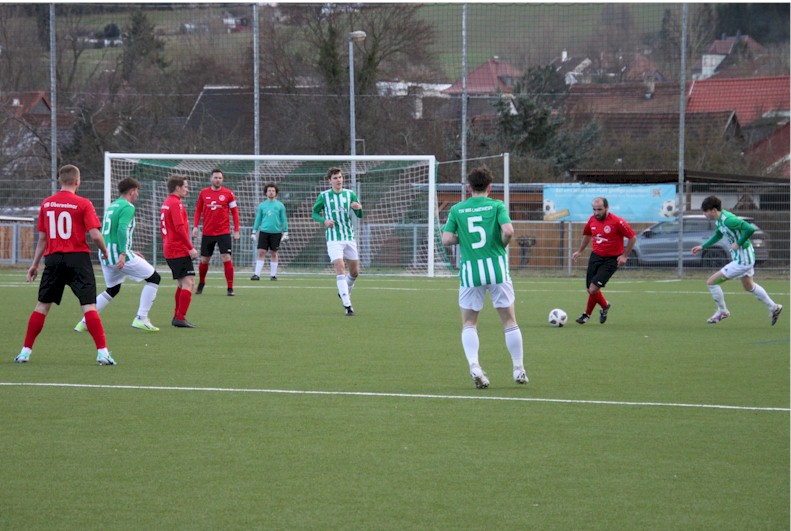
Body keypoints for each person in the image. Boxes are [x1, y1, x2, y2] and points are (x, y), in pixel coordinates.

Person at [14, 164, 115, 365]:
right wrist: (104, 250)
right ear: (77, 181)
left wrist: (34, 264)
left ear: (60, 180)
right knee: (89, 306)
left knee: (42, 306)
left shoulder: (47, 204)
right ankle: (102, 353)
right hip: (78, 259)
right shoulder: (84, 203)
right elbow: (95, 235)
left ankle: (25, 351)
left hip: (53, 260)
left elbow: (42, 239)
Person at [441, 165, 527, 389]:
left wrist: (465, 239)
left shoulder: (458, 209)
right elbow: (508, 231)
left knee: (469, 322)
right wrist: (499, 243)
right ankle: (518, 369)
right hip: (497, 269)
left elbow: (446, 239)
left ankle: (475, 367)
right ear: (490, 187)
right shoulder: (497, 205)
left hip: (471, 272)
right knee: (509, 321)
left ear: (469, 188)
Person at [74, 177, 161, 333]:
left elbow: (110, 232)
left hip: (105, 253)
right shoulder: (128, 206)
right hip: (117, 255)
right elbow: (121, 229)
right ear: (131, 191)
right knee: (154, 278)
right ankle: (141, 318)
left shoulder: (112, 206)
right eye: (137, 192)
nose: (137, 195)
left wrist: (129, 250)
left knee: (112, 289)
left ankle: (85, 322)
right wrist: (123, 253)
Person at [691, 195, 783, 325]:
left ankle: (722, 311)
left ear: (713, 210)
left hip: (743, 260)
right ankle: (774, 307)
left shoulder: (728, 220)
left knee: (712, 282)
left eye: (705, 211)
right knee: (749, 286)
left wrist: (738, 243)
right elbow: (718, 234)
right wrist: (702, 246)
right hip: (744, 256)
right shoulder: (719, 220)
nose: (704, 214)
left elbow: (750, 229)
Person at [571, 196, 636, 325]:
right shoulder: (592, 219)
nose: (596, 213)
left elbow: (632, 237)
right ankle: (605, 305)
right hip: (595, 256)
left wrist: (624, 256)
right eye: (594, 209)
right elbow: (588, 235)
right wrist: (580, 251)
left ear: (607, 208)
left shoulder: (617, 222)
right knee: (590, 289)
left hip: (611, 260)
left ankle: (586, 314)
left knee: (593, 289)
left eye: (599, 209)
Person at [312, 167, 363, 316]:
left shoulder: (350, 194)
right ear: (330, 181)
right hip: (333, 238)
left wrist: (359, 208)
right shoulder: (324, 196)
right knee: (340, 266)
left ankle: (343, 291)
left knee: (354, 272)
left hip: (349, 237)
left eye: (340, 177)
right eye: (335, 178)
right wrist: (324, 220)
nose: (338, 180)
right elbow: (314, 213)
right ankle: (348, 305)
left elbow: (359, 214)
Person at [192, 168, 240, 296]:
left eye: (220, 178)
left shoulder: (229, 194)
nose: (217, 180)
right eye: (215, 177)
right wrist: (195, 226)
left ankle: (230, 288)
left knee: (226, 257)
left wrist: (236, 230)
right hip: (208, 232)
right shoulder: (203, 193)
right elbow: (198, 211)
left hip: (223, 232)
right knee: (204, 260)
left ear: (222, 180)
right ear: (211, 179)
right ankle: (201, 283)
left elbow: (235, 213)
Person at [161, 176, 200, 328]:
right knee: (188, 282)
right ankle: (179, 317)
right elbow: (179, 228)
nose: (187, 189)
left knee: (183, 283)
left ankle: (177, 315)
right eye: (185, 186)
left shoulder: (166, 203)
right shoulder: (176, 204)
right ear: (177, 187)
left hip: (169, 248)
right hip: (178, 249)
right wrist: (190, 247)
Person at [251, 183, 289, 281]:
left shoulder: (280, 205)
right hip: (264, 232)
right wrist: (254, 231)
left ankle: (273, 275)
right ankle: (256, 274)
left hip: (276, 232)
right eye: (269, 190)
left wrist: (285, 231)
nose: (271, 192)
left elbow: (283, 219)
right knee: (261, 252)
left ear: (276, 193)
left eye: (273, 190)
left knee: (274, 253)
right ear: (266, 192)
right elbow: (258, 219)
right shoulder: (262, 205)